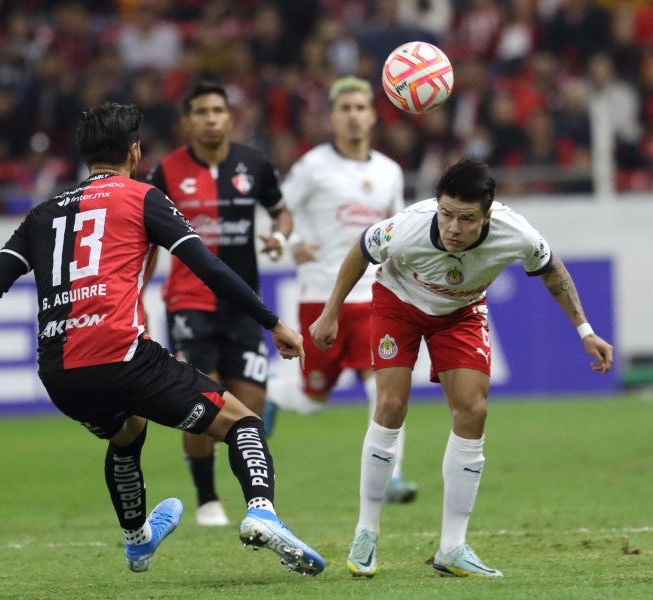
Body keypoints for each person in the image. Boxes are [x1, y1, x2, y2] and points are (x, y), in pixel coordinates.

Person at [0, 102, 325, 576]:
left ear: (85, 156)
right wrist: (272, 322)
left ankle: (137, 540)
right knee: (242, 424)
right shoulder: (142, 196)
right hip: (124, 357)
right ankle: (262, 512)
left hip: (60, 374)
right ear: (134, 151)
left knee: (128, 431)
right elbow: (206, 266)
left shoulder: (42, 215)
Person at [310, 156, 613, 578]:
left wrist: (585, 330)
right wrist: (331, 312)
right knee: (391, 404)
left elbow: (551, 271)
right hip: (398, 303)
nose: (453, 227)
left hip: (462, 312)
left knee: (473, 411)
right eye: (447, 214)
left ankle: (452, 547)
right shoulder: (409, 227)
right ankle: (366, 531)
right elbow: (362, 249)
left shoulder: (517, 233)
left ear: (488, 215)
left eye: (466, 219)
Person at [262, 76, 418, 504]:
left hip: (376, 296)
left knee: (384, 385)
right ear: (331, 118)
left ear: (372, 116)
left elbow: (398, 228)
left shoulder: (389, 171)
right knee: (314, 400)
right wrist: (291, 244)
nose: (353, 115)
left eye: (359, 108)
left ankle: (392, 478)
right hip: (323, 297)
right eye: (344, 108)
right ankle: (276, 391)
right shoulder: (313, 166)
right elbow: (279, 206)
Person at [145, 80, 292, 527]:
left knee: (249, 411)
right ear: (187, 122)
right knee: (203, 402)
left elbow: (281, 211)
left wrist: (280, 236)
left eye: (218, 110)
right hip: (189, 303)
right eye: (201, 112)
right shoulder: (165, 172)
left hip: (244, 304)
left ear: (230, 117)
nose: (211, 118)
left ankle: (258, 503)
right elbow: (146, 237)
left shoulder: (254, 164)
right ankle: (207, 496)